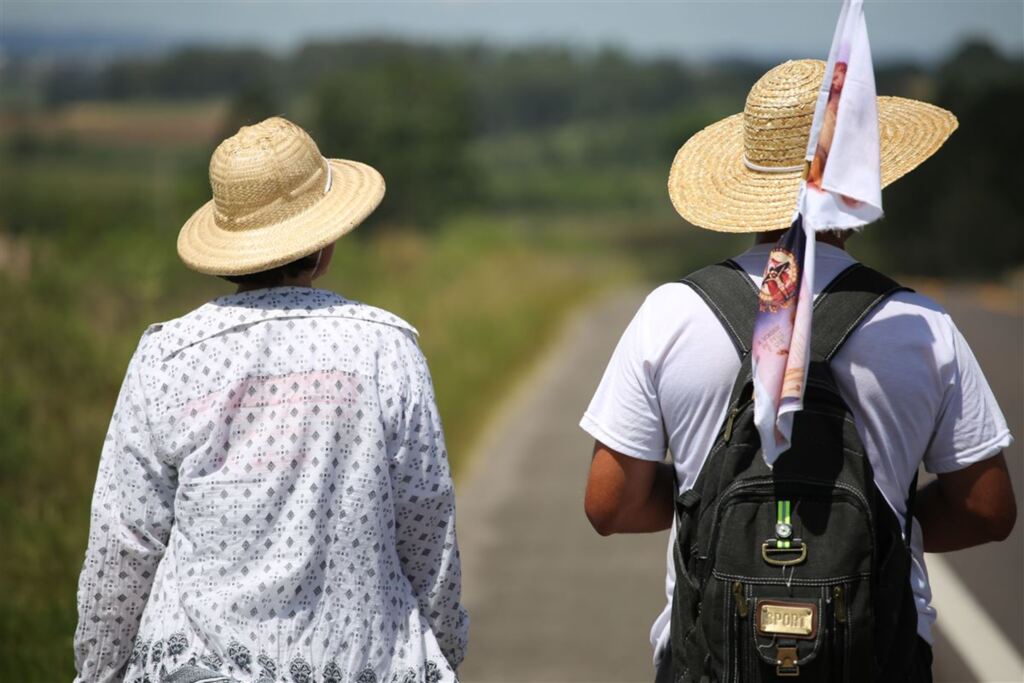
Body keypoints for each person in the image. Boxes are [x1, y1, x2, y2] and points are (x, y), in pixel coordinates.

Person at [580, 60, 1016, 681]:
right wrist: (877, 528)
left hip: (710, 656)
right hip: (876, 656)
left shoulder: (669, 315)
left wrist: (697, 509)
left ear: (743, 182)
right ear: (860, 179)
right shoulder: (921, 326)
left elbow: (609, 505)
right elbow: (988, 509)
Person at [73, 117, 468, 683]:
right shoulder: (385, 349)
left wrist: (98, 672)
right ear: (325, 241)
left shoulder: (167, 358)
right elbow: (426, 521)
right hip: (359, 663)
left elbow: (123, 542)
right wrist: (444, 642)